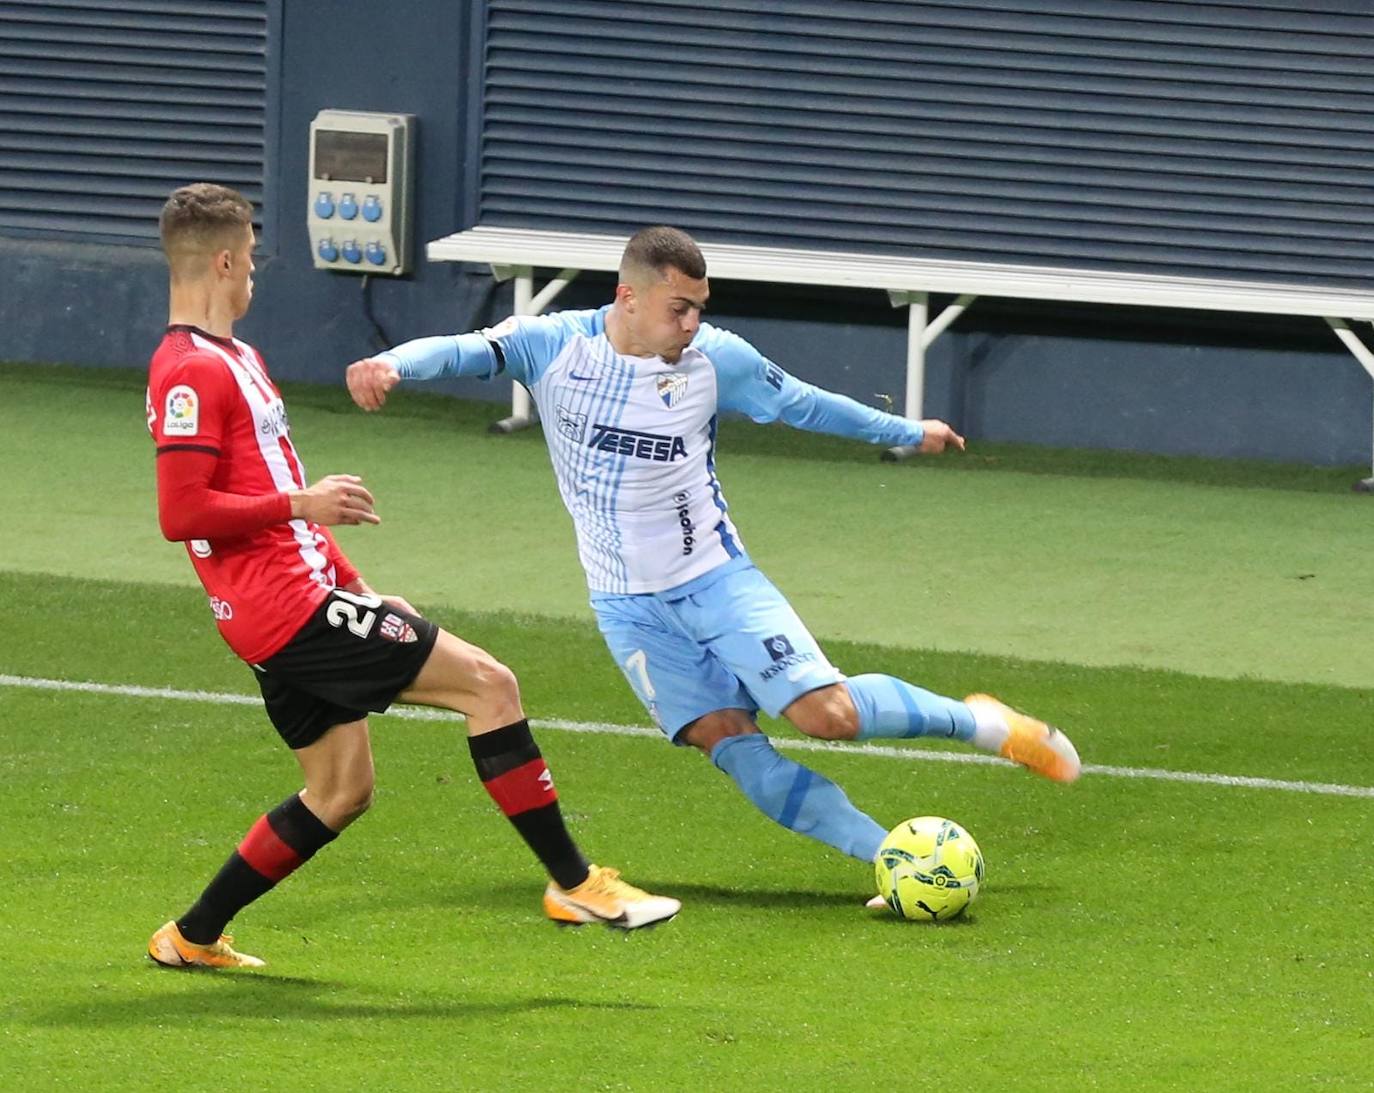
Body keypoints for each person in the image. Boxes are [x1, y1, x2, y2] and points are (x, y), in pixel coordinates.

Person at [346, 225, 1080, 903]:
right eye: (678, 307)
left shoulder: (713, 360)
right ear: (627, 297)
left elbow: (804, 404)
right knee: (730, 743)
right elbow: (466, 348)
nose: (690, 322)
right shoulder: (554, 345)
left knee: (828, 715)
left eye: (699, 307)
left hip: (717, 581)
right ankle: (887, 857)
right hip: (626, 606)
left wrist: (905, 429)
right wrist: (389, 362)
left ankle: (982, 722)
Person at [144, 186, 678, 969]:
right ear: (224, 261)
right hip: (284, 610)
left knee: (340, 790)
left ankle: (190, 935)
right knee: (490, 685)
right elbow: (182, 510)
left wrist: (356, 590)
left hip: (295, 602)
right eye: (252, 258)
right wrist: (306, 501)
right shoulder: (189, 371)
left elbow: (282, 514)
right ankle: (574, 881)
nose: (254, 273)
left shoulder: (238, 359)